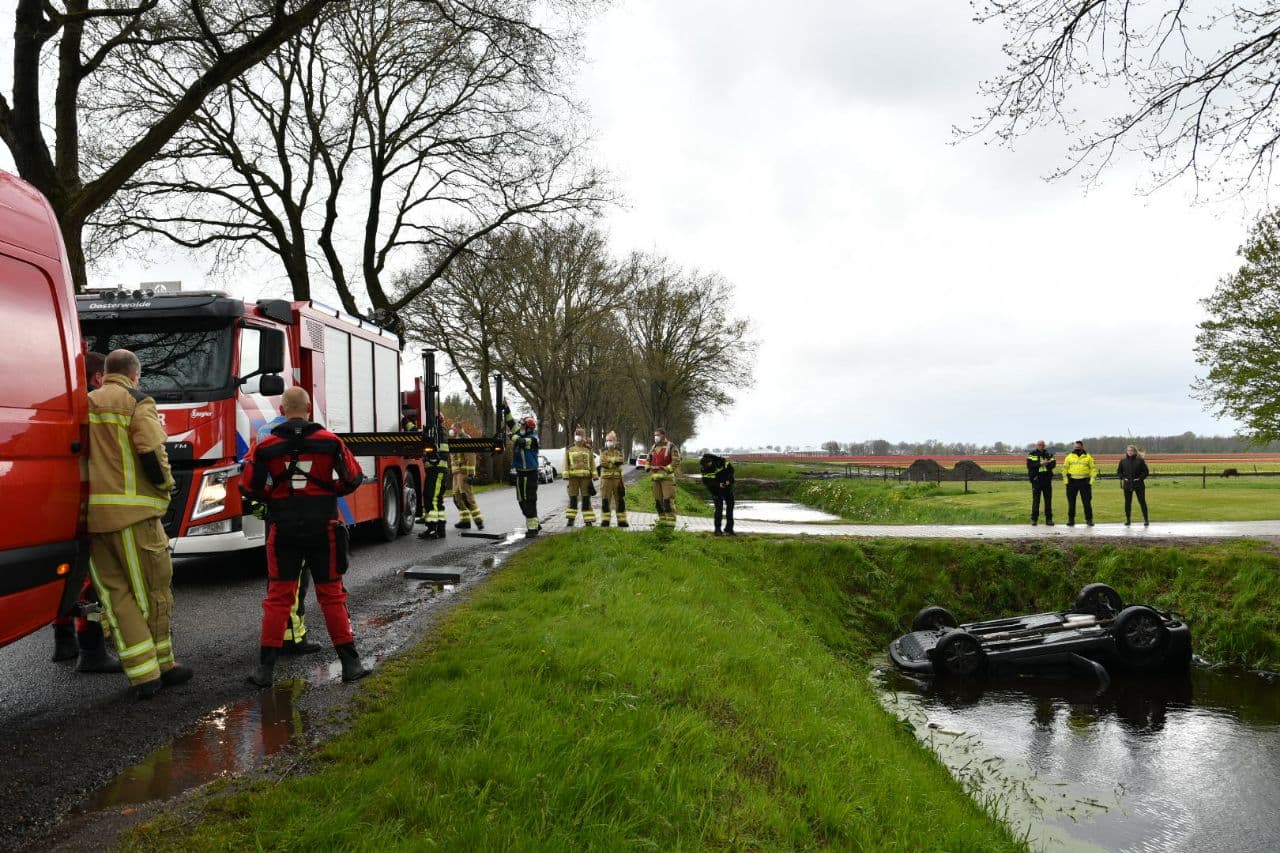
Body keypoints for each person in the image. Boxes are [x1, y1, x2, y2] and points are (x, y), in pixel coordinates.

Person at [241, 387, 371, 686]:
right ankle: (350, 665)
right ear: (309, 409)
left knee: (278, 598)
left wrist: (274, 497)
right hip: (323, 528)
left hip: (282, 529)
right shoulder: (331, 442)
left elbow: (249, 487)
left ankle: (265, 671)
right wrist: (329, 492)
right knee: (332, 596)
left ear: (282, 410)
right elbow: (353, 478)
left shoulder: (265, 446)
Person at [86, 349, 193, 699]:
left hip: (92, 519)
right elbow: (151, 451)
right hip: (135, 516)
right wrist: (166, 486)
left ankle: (142, 675)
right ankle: (163, 665)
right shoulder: (136, 401)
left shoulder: (83, 404)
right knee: (153, 592)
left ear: (103, 373)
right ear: (135, 375)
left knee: (115, 597)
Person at [51, 350, 122, 673]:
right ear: (97, 378)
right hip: (85, 504)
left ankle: (64, 640)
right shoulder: (94, 409)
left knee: (66, 577)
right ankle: (91, 649)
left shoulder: (60, 406)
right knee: (90, 586)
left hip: (55, 504)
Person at [255, 408, 321, 656]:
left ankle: (280, 634)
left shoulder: (264, 431)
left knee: (277, 575)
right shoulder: (311, 434)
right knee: (297, 576)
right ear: (305, 410)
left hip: (274, 512)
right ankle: (292, 637)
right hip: (300, 512)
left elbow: (254, 474)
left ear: (281, 408)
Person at [502, 401, 541, 537]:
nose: (521, 427)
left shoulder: (533, 438)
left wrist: (510, 436)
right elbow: (511, 423)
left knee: (530, 500)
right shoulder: (520, 432)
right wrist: (506, 408)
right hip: (520, 473)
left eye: (523, 425)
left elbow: (521, 442)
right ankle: (535, 522)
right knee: (521, 500)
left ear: (529, 427)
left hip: (530, 474)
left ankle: (532, 529)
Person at [418, 413, 450, 540]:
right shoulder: (437, 432)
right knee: (434, 499)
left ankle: (433, 529)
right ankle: (439, 529)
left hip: (437, 471)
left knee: (433, 499)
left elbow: (440, 452)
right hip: (436, 471)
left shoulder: (439, 433)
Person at [450, 423, 484, 531]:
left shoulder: (465, 438)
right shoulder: (456, 439)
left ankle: (479, 521)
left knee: (467, 498)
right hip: (456, 473)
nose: (451, 430)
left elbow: (471, 457)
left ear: (459, 428)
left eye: (453, 428)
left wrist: (470, 474)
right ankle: (465, 521)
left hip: (464, 472)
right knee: (457, 498)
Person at [649, 428, 681, 529]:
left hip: (667, 479)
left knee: (668, 503)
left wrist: (666, 469)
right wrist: (647, 466)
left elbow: (676, 461)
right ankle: (662, 524)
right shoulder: (654, 447)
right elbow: (648, 458)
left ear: (663, 435)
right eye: (655, 435)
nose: (655, 437)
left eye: (657, 435)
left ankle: (670, 527)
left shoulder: (671, 446)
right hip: (655, 479)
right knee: (658, 503)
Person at [564, 428, 597, 526]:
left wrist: (595, 475)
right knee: (573, 499)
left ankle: (588, 520)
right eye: (576, 434)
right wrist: (565, 474)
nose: (577, 436)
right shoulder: (570, 449)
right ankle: (570, 519)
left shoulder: (588, 450)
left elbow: (592, 463)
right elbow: (566, 463)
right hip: (573, 478)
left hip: (586, 479)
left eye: (579, 434)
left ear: (583, 436)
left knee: (586, 499)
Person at [1062, 440, 1098, 527]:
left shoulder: (1088, 457)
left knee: (1087, 503)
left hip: (1084, 483)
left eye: (1078, 447)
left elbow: (1093, 469)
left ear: (1082, 447)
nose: (1077, 448)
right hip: (1071, 483)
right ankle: (1071, 520)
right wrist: (1066, 482)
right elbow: (1064, 470)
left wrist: (1090, 482)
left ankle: (1089, 520)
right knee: (1071, 503)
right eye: (1075, 447)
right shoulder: (1069, 457)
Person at [597, 431, 629, 527]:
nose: (608, 442)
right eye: (607, 440)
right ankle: (605, 521)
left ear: (615, 441)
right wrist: (614, 462)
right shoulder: (603, 451)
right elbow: (603, 463)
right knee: (606, 500)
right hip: (606, 479)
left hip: (617, 479)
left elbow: (621, 460)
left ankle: (622, 521)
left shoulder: (619, 450)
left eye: (610, 440)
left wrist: (610, 460)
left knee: (620, 500)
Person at [699, 453, 736, 535]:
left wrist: (728, 480)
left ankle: (729, 529)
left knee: (730, 507)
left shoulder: (722, 462)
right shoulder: (704, 469)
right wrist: (718, 484)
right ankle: (717, 530)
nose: (707, 466)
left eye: (708, 464)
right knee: (719, 509)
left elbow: (731, 471)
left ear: (711, 461)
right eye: (705, 465)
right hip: (715, 490)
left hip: (727, 487)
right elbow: (707, 482)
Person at [1117, 444, 1150, 526]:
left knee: (1142, 502)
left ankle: (1146, 520)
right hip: (1127, 485)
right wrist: (1123, 478)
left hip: (1138, 485)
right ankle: (1128, 520)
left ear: (1135, 451)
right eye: (1128, 450)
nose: (1130, 452)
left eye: (1131, 451)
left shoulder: (1140, 461)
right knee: (1127, 503)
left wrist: (1139, 479)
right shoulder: (1123, 461)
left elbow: (1146, 472)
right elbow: (1119, 472)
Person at [1025, 440, 1056, 526]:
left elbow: (1053, 464)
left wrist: (1046, 464)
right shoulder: (1032, 454)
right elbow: (1029, 465)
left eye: (1042, 445)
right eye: (1039, 445)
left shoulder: (1049, 454)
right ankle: (1034, 519)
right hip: (1036, 480)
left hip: (1047, 480)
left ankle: (1049, 520)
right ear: (1036, 445)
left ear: (1044, 446)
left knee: (1048, 501)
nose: (1041, 446)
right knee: (1036, 500)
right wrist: (1040, 463)